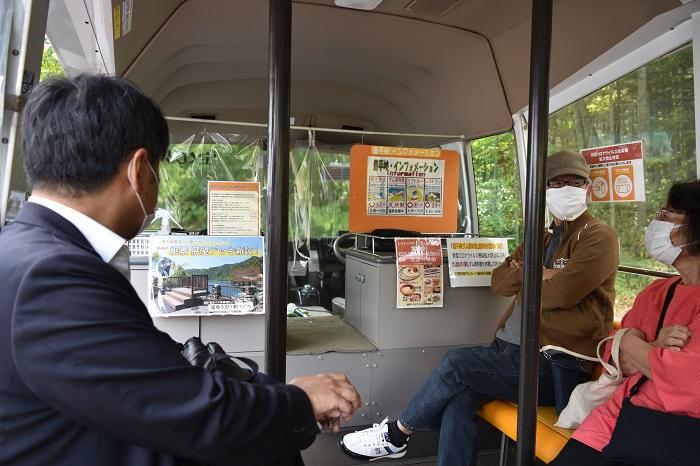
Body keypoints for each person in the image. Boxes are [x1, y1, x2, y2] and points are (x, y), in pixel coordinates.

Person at [0, 75, 362, 466]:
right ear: (140, 169)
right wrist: (302, 402)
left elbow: (141, 369)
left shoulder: (26, 251)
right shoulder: (53, 277)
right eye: (158, 172)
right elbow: (202, 417)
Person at [340, 150, 619, 465]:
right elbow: (499, 283)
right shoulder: (540, 238)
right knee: (460, 399)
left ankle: (398, 434)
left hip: (550, 362)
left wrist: (528, 275)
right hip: (509, 351)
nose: (566, 188)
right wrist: (541, 275)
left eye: (575, 181)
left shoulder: (599, 237)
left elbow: (565, 294)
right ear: (544, 192)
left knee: (457, 364)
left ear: (587, 188)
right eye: (556, 183)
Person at [551, 180, 700, 466]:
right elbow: (613, 359)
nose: (657, 223)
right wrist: (655, 349)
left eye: (667, 215)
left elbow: (688, 381)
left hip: (675, 436)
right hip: (614, 421)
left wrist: (630, 340)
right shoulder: (657, 293)